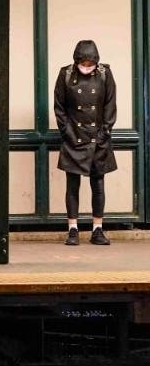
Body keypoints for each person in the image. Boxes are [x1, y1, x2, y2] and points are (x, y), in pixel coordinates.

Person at [54, 40, 117, 246]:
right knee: (73, 185)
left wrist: (105, 132)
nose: (87, 66)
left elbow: (110, 104)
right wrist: (67, 132)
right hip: (74, 136)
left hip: (98, 138)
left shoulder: (105, 74)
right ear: (77, 60)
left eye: (91, 63)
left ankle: (97, 229)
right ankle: (72, 229)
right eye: (83, 62)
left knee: (98, 184)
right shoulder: (65, 74)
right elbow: (59, 107)